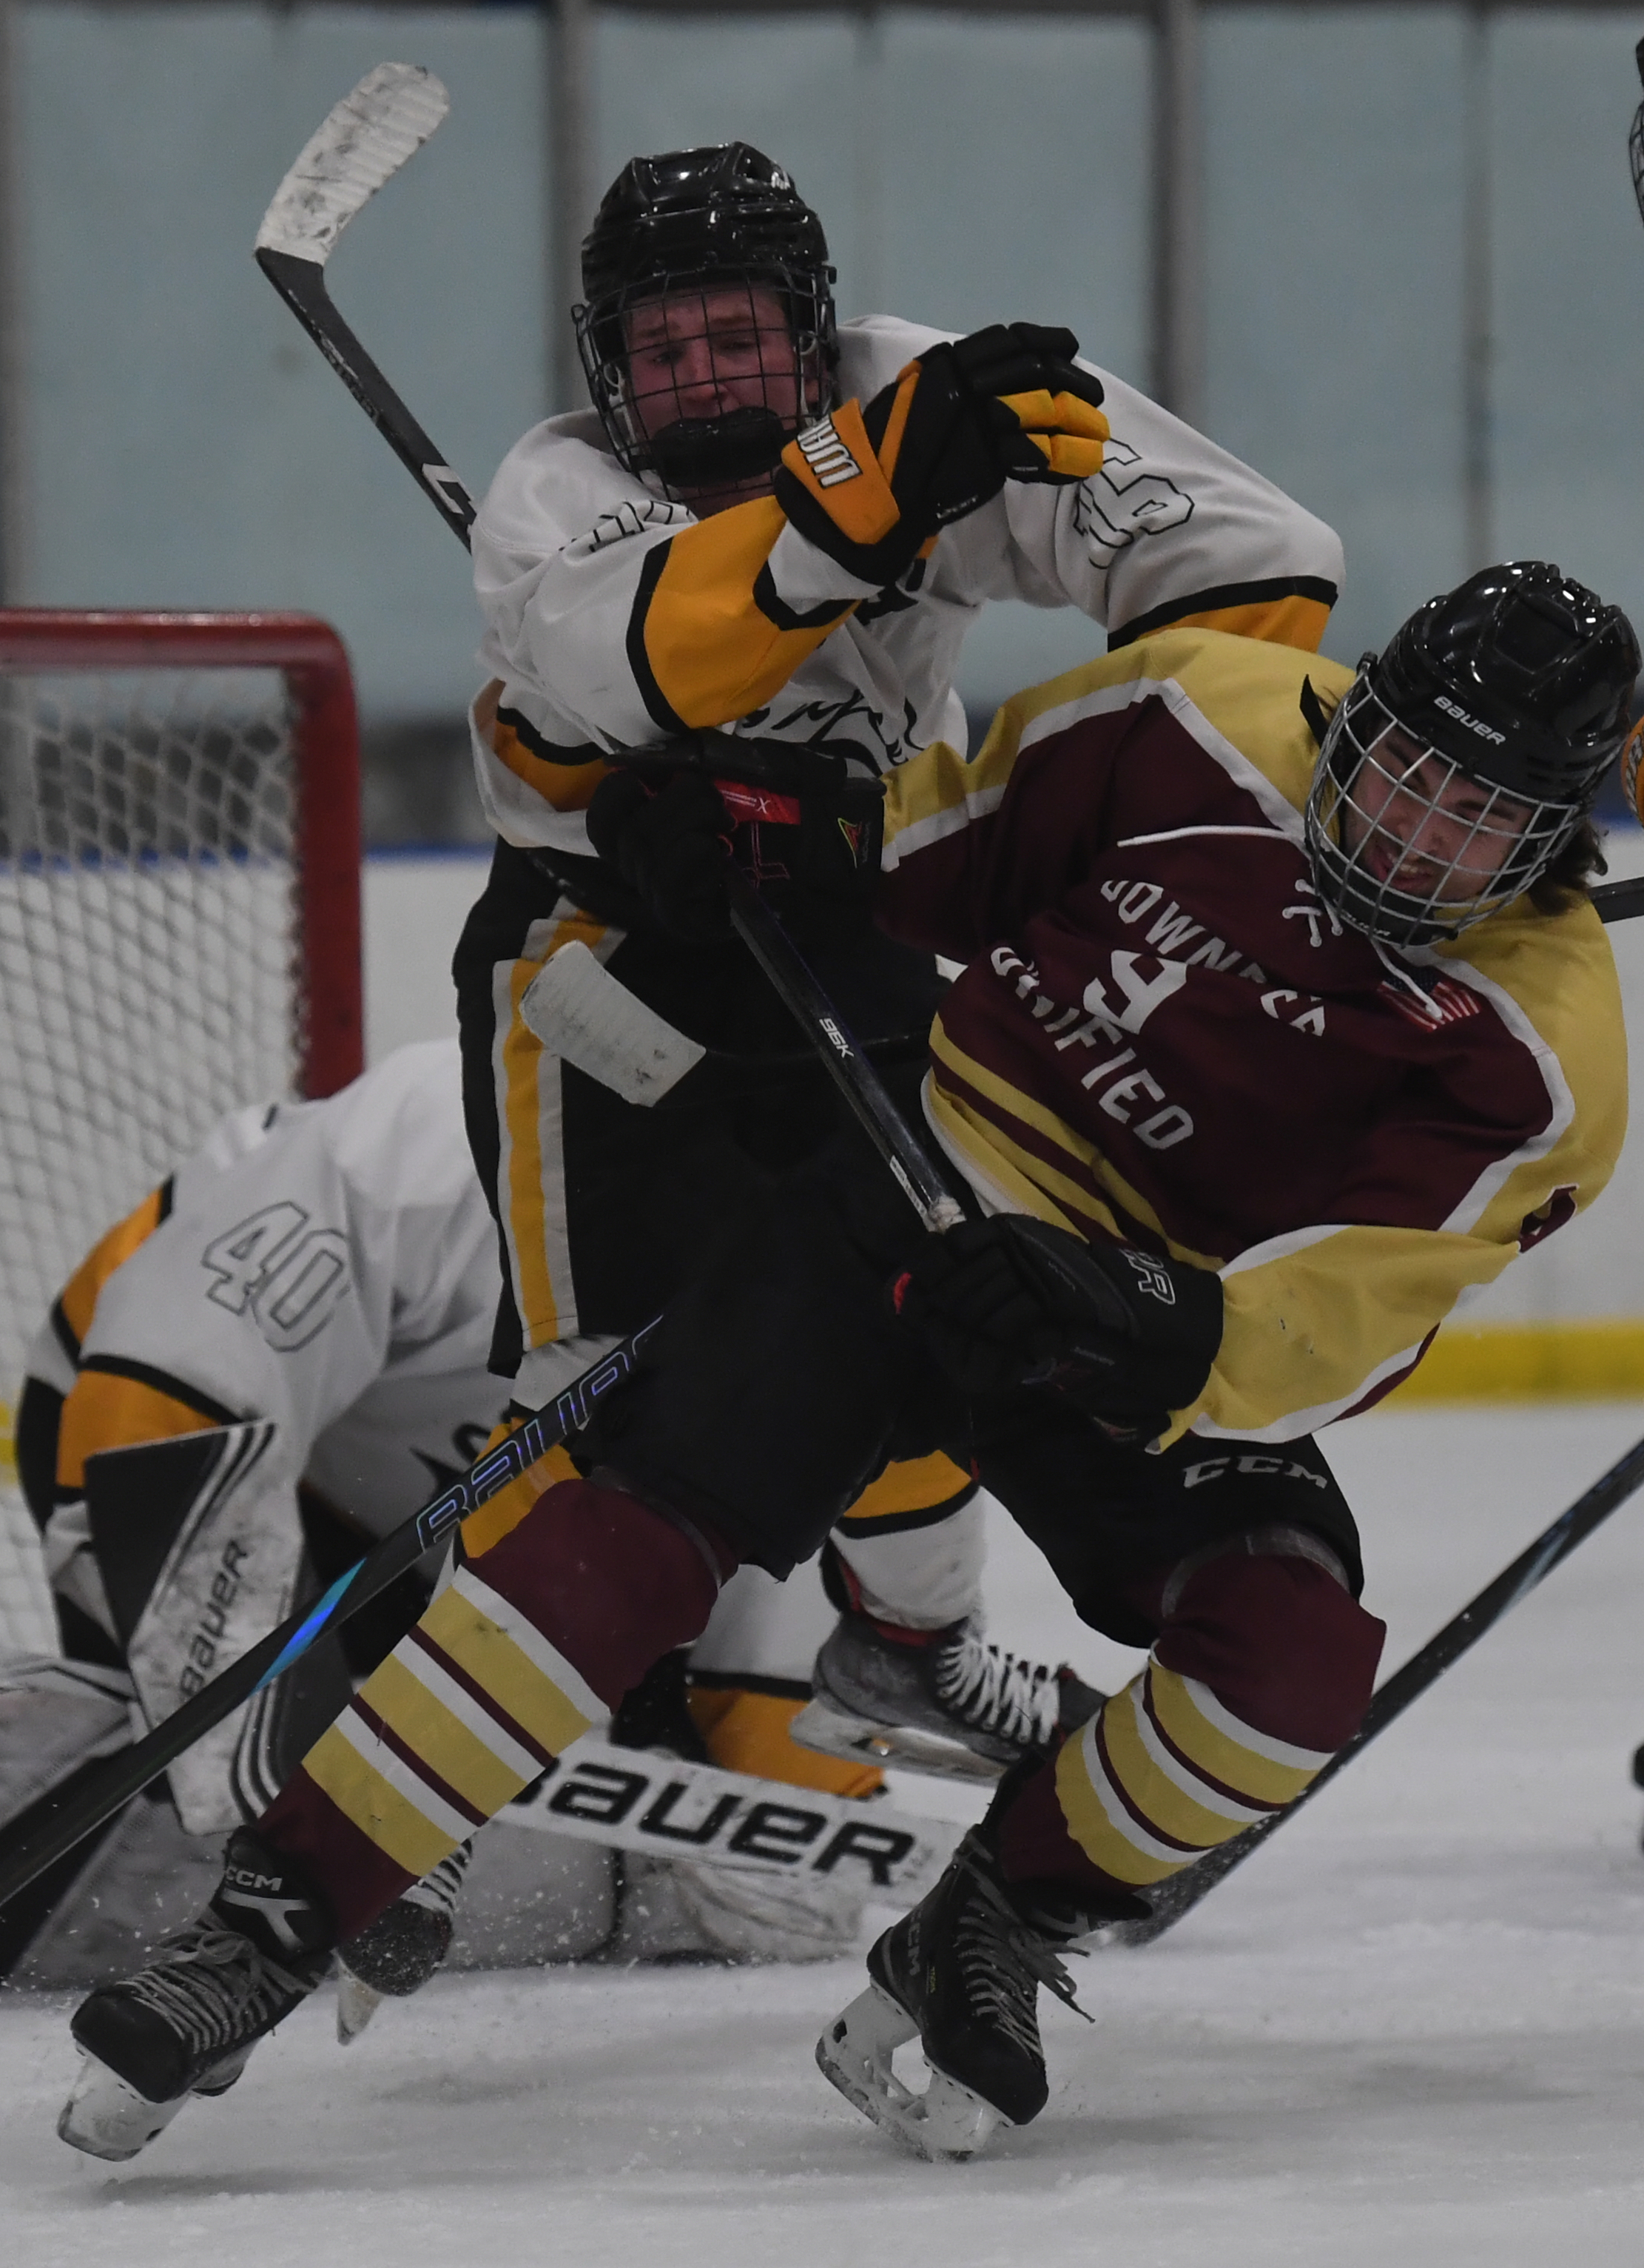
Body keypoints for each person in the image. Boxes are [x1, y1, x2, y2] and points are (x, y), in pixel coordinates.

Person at [54, 561, 1632, 2166]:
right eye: (1406, 769)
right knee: (618, 1546)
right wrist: (767, 830)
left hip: (1134, 1331)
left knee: (1290, 1663)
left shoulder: (1542, 1053)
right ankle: (266, 1922)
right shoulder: (1186, 713)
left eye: (1477, 816)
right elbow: (938, 848)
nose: (1414, 831)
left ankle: (989, 1929)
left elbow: (1339, 1320)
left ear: (1556, 838)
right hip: (914, 1181)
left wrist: (1132, 1310)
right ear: (1350, 709)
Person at [454, 138, 1344, 1777]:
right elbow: (627, 675)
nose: (705, 377)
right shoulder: (554, 493)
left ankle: (910, 1651)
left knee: (912, 1304)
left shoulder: (922, 392)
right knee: (604, 1387)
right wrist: (864, 489)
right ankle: (478, 1729)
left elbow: (1258, 565)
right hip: (599, 955)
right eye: (663, 349)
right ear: (608, 365)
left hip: (858, 915)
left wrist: (1106, 802)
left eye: (739, 338)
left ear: (814, 327)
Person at [0, 1041, 885, 1997]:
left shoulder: (839, 1307)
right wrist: (310, 1790)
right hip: (178, 1433)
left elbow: (791, 1799)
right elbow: (156, 1418)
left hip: (482, 1548)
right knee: (232, 1794)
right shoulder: (430, 1147)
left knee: (705, 1881)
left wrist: (778, 1820)